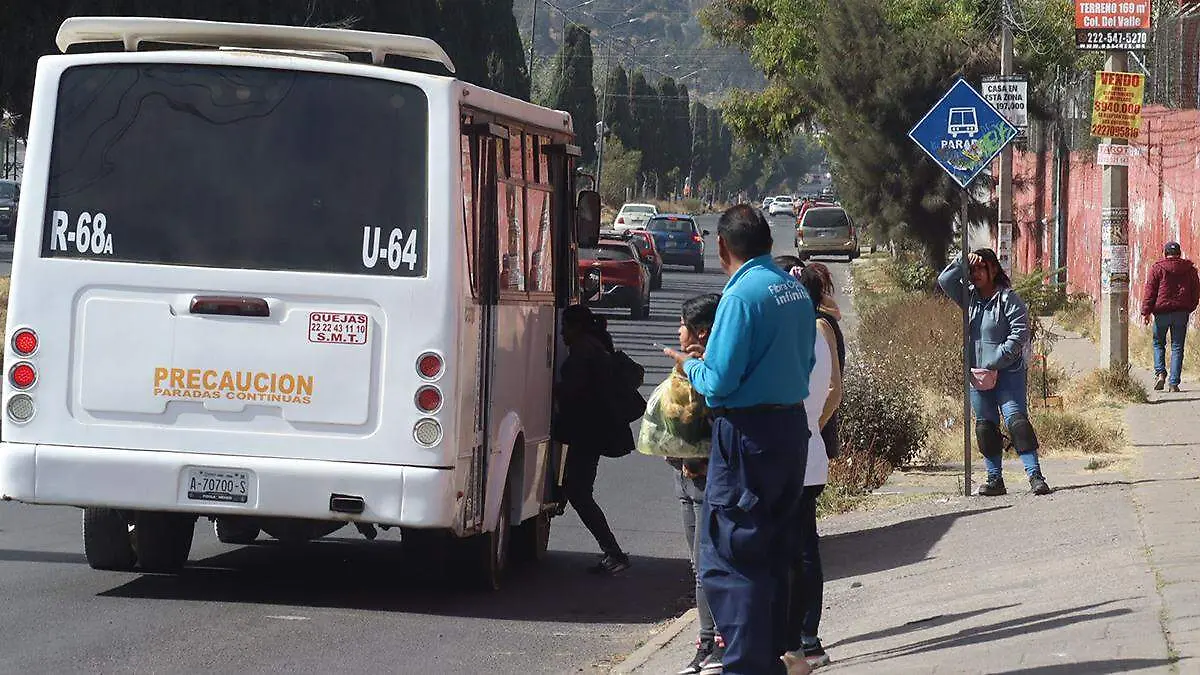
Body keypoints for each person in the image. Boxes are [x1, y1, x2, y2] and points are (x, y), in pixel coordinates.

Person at [666, 204, 816, 675]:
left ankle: (748, 665)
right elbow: (806, 364)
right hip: (789, 430)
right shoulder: (793, 288)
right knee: (774, 550)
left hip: (747, 436)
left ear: (722, 246)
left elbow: (719, 381)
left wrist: (688, 363)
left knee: (730, 558)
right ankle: (773, 655)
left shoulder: (740, 297)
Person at [642, 293, 727, 675]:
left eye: (682, 323)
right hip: (685, 476)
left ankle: (719, 643)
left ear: (702, 332)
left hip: (709, 478)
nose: (677, 331)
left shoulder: (714, 367)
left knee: (710, 564)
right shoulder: (689, 366)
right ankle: (706, 643)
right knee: (699, 565)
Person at [938, 249, 1051, 497]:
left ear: (994, 270)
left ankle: (1035, 475)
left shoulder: (1008, 299)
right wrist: (962, 261)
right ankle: (994, 479)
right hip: (978, 375)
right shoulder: (969, 299)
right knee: (985, 427)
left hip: (1008, 374)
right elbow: (944, 281)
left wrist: (998, 357)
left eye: (982, 268)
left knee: (1017, 422)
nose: (977, 274)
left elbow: (1020, 333)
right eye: (973, 270)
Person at [783, 264, 845, 671]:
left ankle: (805, 639)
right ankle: (805, 638)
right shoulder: (818, 329)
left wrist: (808, 429)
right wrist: (813, 429)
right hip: (807, 452)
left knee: (799, 550)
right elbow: (832, 392)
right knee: (804, 547)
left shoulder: (808, 332)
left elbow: (831, 391)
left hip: (796, 456)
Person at [557, 304, 633, 574]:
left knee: (578, 492)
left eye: (565, 327)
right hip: (590, 431)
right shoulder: (592, 346)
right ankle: (612, 551)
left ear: (577, 327)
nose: (562, 333)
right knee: (576, 490)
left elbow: (574, 393)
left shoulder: (584, 352)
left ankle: (614, 553)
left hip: (587, 433)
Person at [1140, 241, 1200, 393]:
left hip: (1161, 313)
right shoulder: (1190, 270)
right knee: (1177, 347)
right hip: (1181, 313)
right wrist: (1189, 307)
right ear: (1179, 253)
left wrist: (1146, 312)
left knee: (1158, 343)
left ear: (1165, 253)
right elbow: (1196, 292)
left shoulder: (1157, 268)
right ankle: (1174, 383)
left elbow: (1150, 291)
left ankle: (1160, 373)